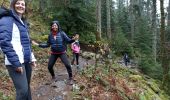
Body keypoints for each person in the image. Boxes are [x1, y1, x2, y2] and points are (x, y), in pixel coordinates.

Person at [0, 0, 36, 100]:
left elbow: (26, 42)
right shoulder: (7, 19)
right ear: (13, 5)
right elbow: (4, 42)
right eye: (18, 3)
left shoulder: (23, 22)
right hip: (15, 62)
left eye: (23, 4)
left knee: (27, 86)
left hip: (26, 60)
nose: (20, 5)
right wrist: (16, 63)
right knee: (22, 91)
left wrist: (31, 58)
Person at [37, 20, 75, 84]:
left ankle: (70, 78)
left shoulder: (62, 33)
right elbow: (47, 44)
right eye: (53, 25)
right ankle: (53, 77)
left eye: (55, 25)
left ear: (58, 26)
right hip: (54, 53)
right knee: (49, 66)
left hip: (62, 52)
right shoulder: (50, 35)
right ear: (51, 27)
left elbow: (68, 41)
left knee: (67, 65)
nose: (54, 27)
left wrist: (73, 40)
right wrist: (39, 45)